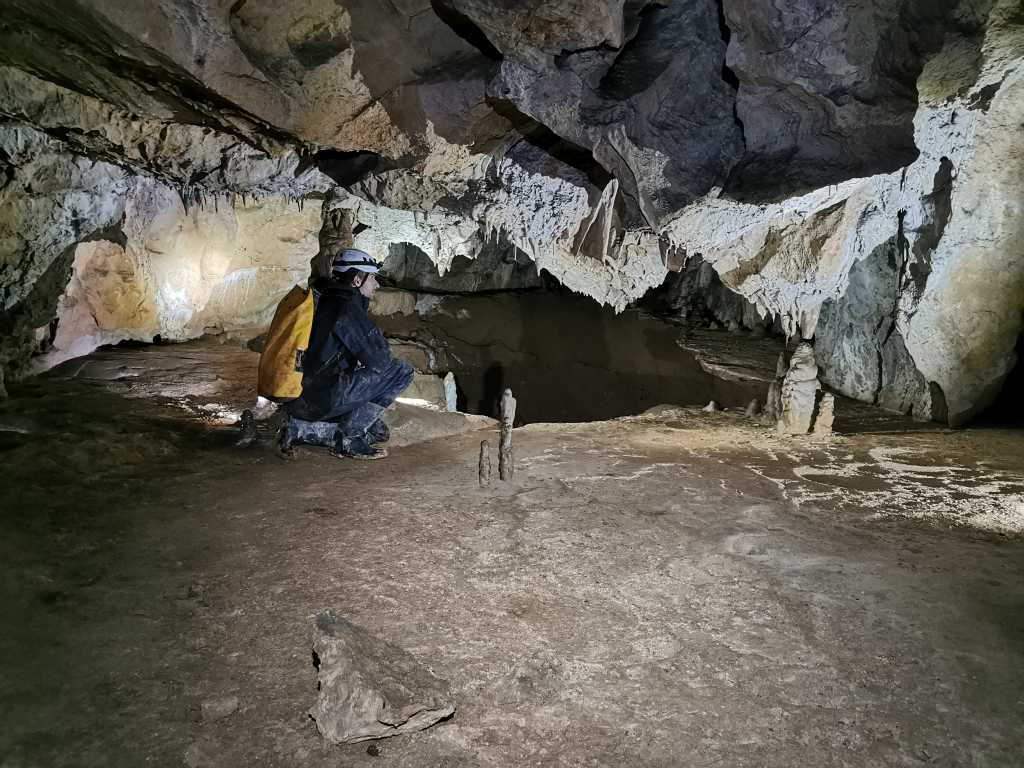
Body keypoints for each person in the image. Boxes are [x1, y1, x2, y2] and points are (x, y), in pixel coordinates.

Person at [284, 248, 413, 459]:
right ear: (357, 279)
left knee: (378, 432)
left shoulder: (325, 298)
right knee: (401, 371)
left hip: (300, 395)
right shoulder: (346, 307)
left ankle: (301, 429)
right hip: (320, 397)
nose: (376, 285)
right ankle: (349, 439)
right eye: (372, 278)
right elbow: (381, 361)